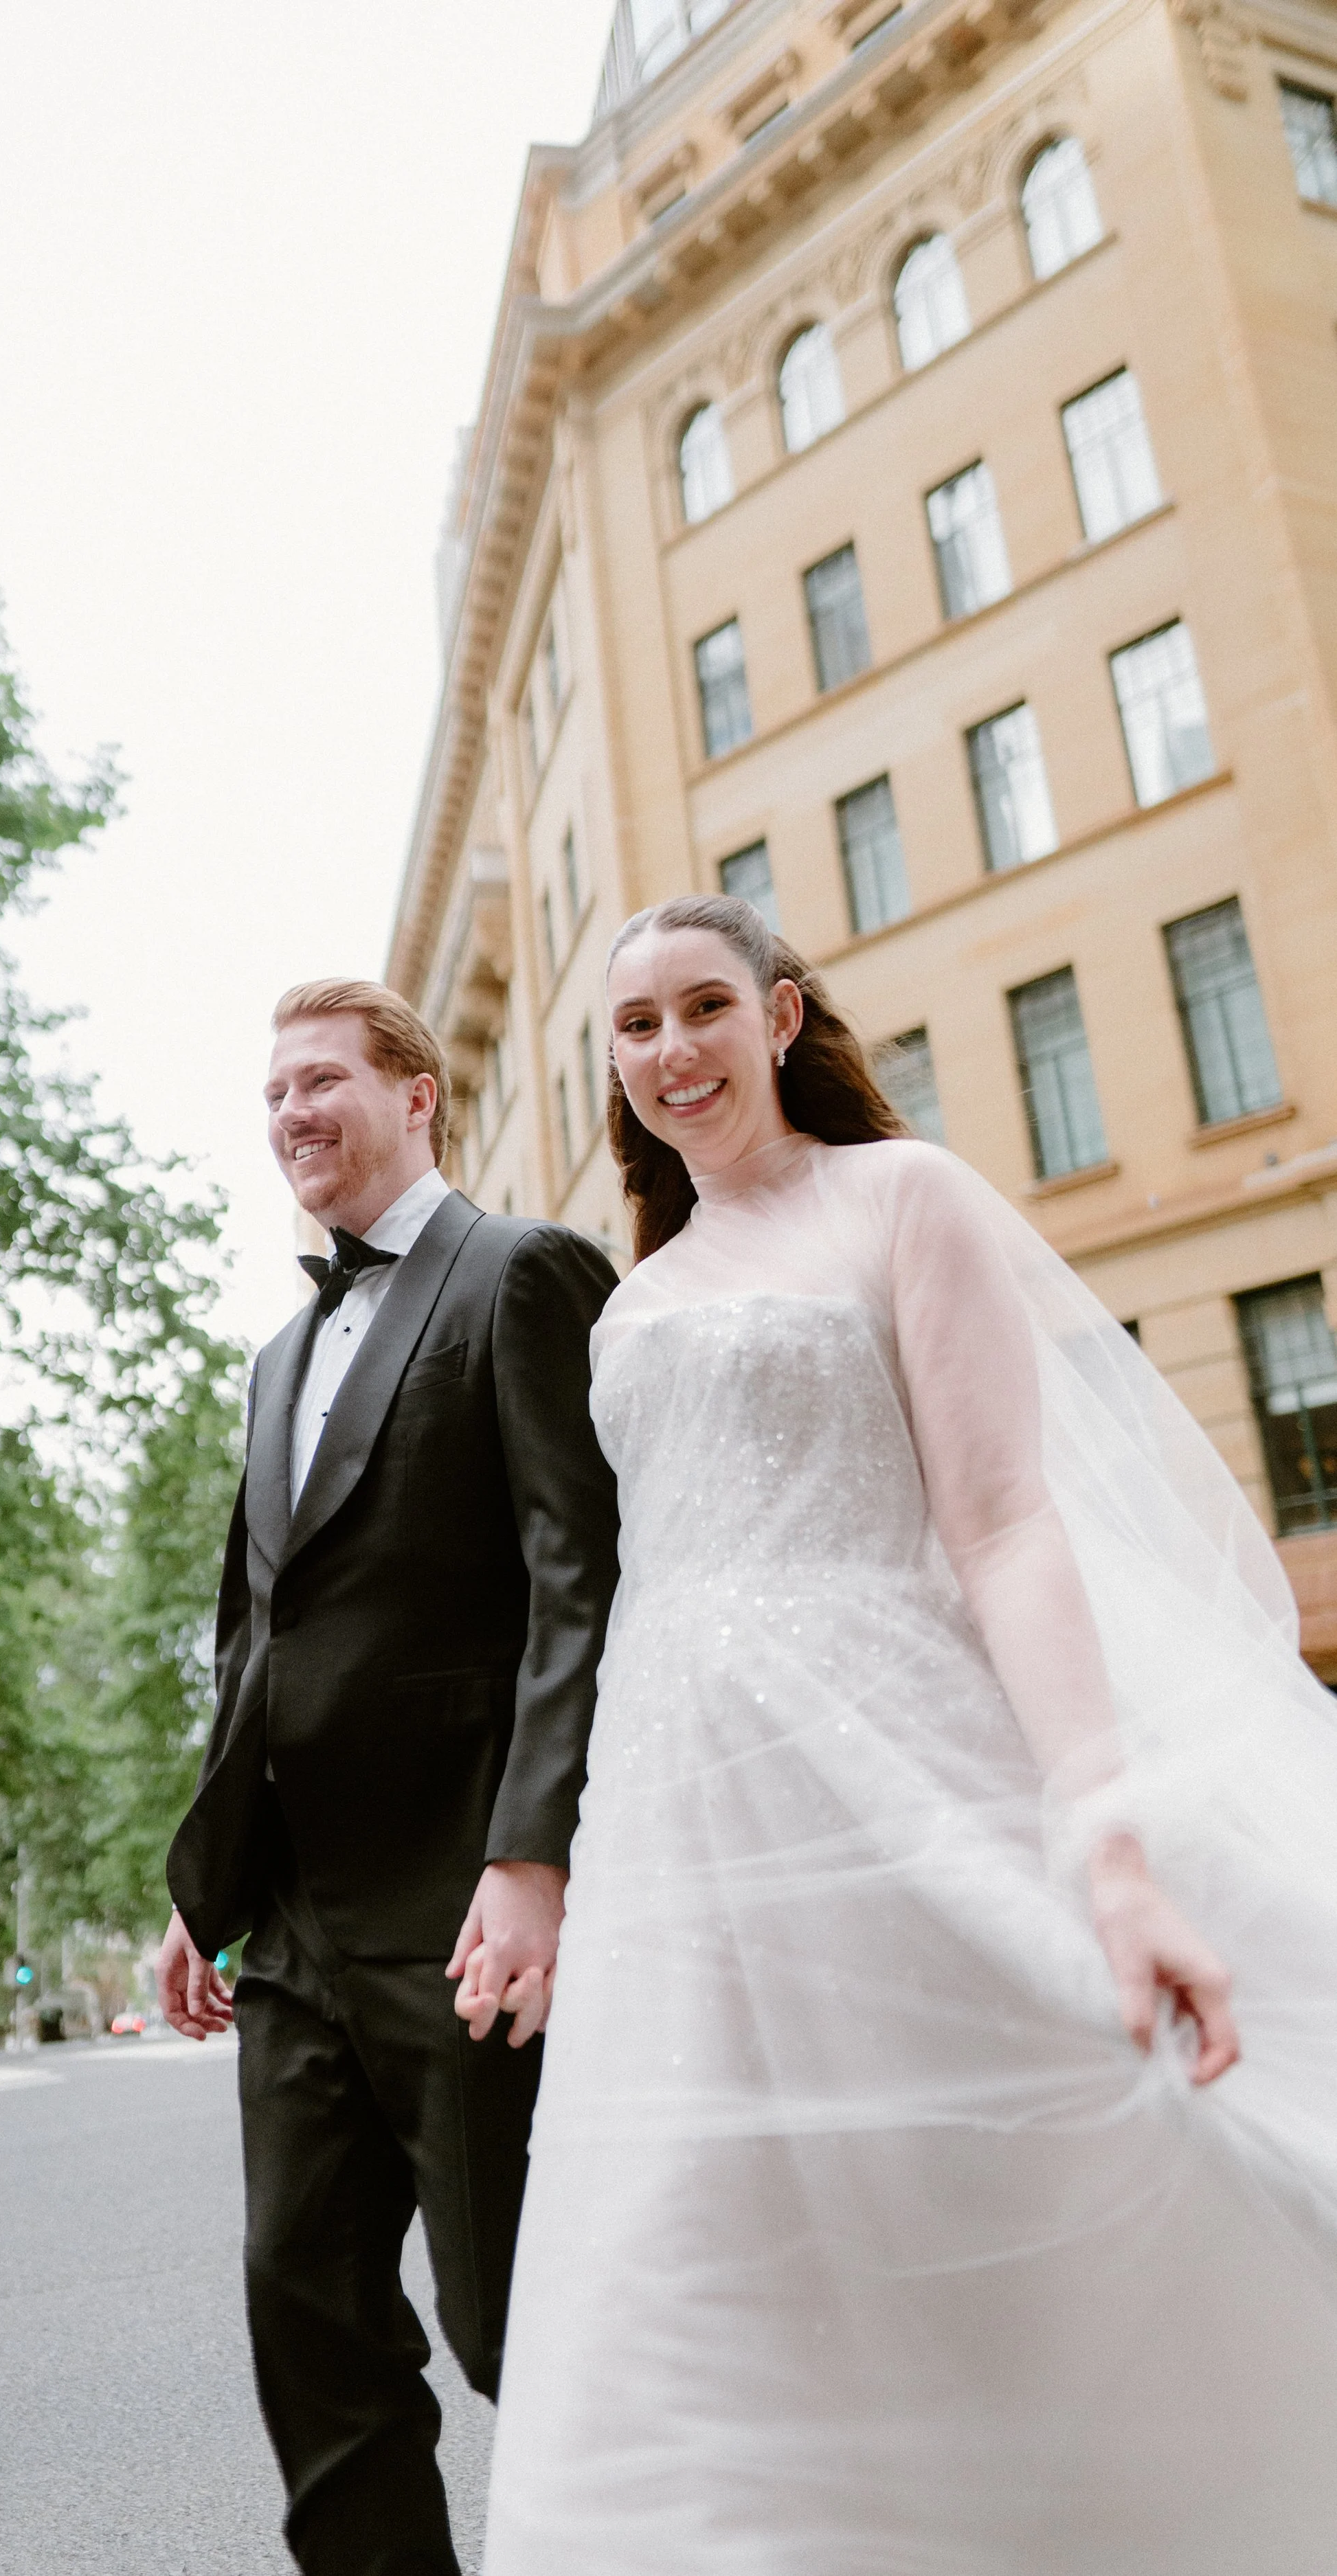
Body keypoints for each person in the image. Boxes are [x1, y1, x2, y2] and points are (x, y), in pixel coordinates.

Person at [480, 895, 1337, 2575]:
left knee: (1028, 2161)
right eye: (634, 1027)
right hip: (678, 1833)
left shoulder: (904, 1197)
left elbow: (1004, 1522)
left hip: (893, 1769)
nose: (669, 1053)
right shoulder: (627, 1308)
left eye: (702, 1008)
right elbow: (615, 1596)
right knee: (698, 2245)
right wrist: (556, 1861)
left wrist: (1101, 1834)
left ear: (781, 1017)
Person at [158, 978, 619, 2576]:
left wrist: (533, 1853)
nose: (289, 1112)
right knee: (309, 2322)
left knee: (518, 2328)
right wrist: (197, 1885)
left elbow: (582, 1578)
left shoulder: (521, 1275)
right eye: (271, 1090)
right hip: (288, 1930)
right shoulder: (273, 1360)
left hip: (462, 1903)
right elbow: (253, 1638)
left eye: (320, 1080)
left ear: (415, 1094)